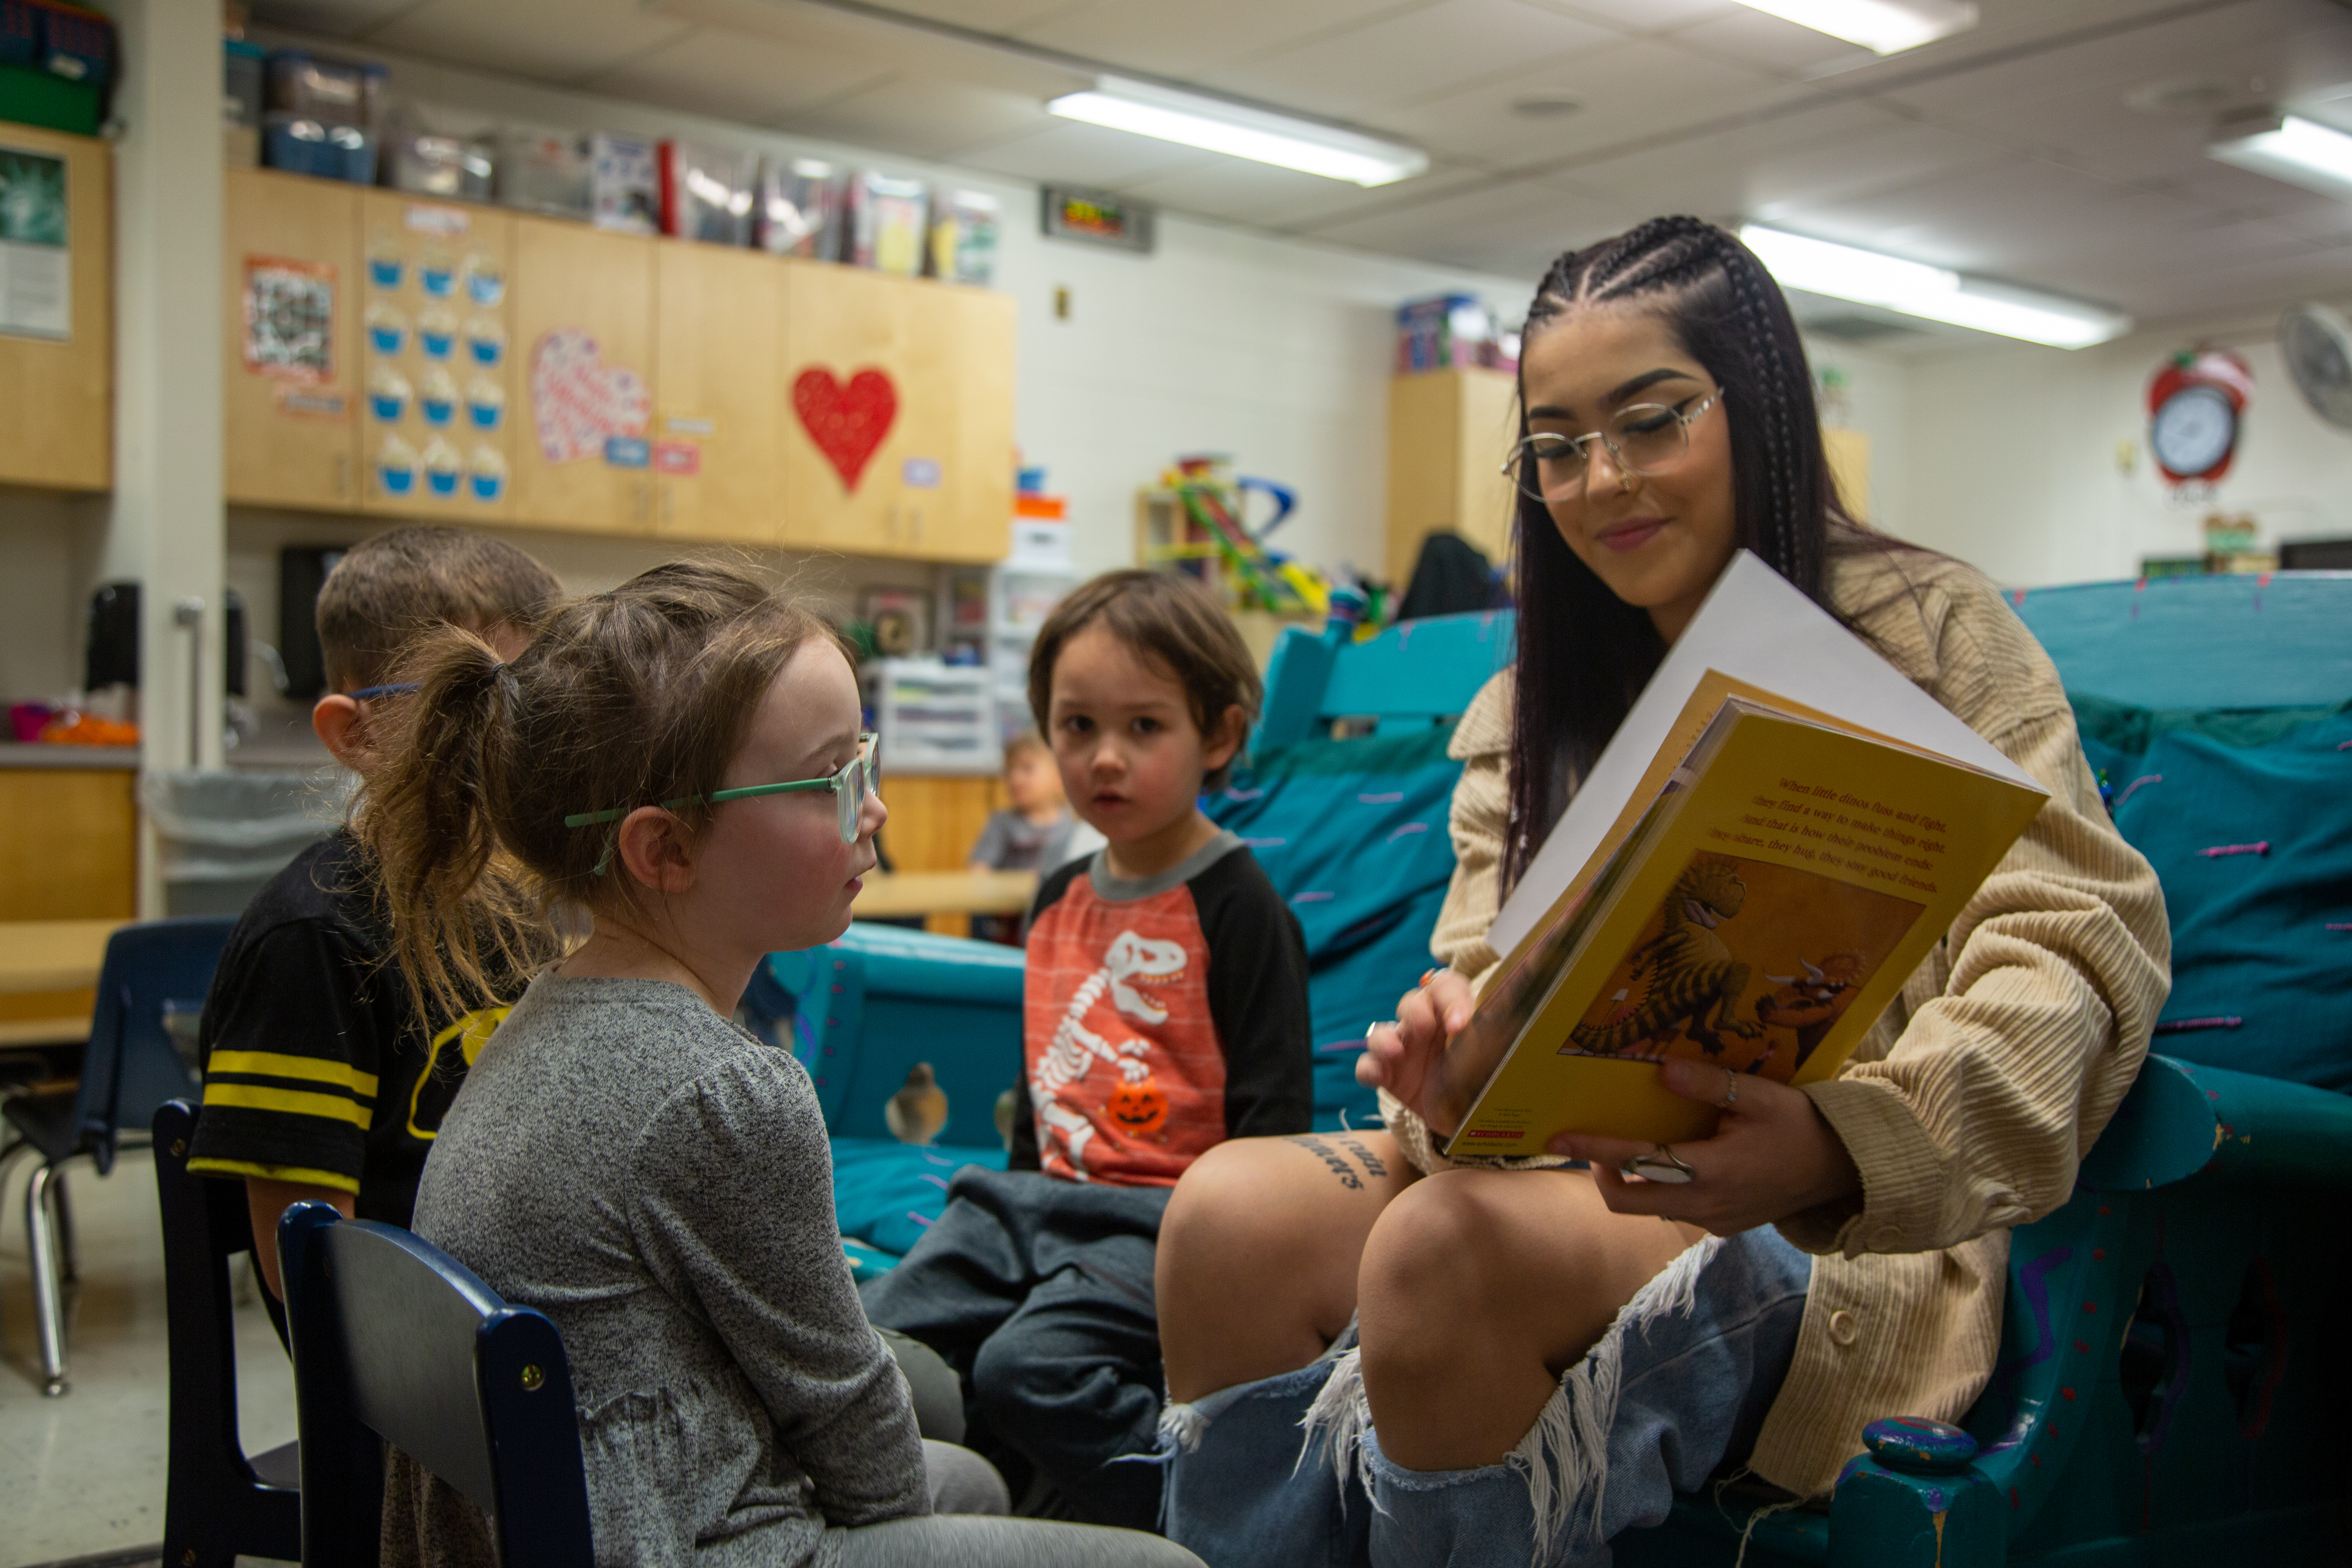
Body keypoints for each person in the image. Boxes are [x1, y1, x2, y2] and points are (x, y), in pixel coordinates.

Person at [1151, 217, 2171, 1568]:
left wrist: (1843, 1144)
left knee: (1441, 1252)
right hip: (1558, 1167)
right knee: (1227, 1214)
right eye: (1558, 446)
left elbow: (2074, 944)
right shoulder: (1529, 703)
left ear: (1759, 414)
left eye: (1651, 421)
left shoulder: (1929, 632)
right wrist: (1457, 1072)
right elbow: (1477, 975)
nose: (1601, 479)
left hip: (1820, 1210)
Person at [359, 561, 1201, 1568]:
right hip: (679, 1536)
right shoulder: (719, 1090)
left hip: (589, 1501)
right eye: (833, 779)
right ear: (663, 849)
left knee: (966, 1465)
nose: (874, 809)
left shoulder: (547, 1010)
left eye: (865, 759)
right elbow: (852, 1429)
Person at [862, 570, 1314, 1530]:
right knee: (873, 1336)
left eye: (1144, 727)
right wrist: (1010, 1202)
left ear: (1220, 737)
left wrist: (1240, 1270)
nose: (1104, 757)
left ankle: (1200, 1499)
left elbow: (1274, 1121)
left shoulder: (1240, 906)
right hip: (1026, 1204)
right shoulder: (1057, 891)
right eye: (1075, 727)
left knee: (1029, 1367)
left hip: (1158, 1224)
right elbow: (1042, 1080)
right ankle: (1009, 1484)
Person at [187, 525, 560, 1325]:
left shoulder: (519, 903)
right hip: (424, 1377)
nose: (528, 742)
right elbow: (314, 1281)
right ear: (356, 733)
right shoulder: (311, 941)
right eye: (476, 703)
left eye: (544, 703)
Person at [969, 729, 1079, 874]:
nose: (1015, 779)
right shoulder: (1002, 823)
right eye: (1010, 770)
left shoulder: (1073, 825)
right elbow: (979, 870)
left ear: (1060, 778)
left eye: (1027, 769)